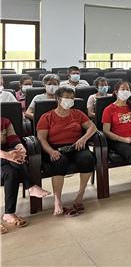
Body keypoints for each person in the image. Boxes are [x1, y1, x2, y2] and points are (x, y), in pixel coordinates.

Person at [36, 87, 97, 216]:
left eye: (72, 98)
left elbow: (92, 127)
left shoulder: (77, 113)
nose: (70, 100)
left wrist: (84, 138)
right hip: (56, 148)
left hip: (76, 145)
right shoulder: (47, 117)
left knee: (87, 159)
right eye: (67, 97)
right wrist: (51, 151)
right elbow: (41, 139)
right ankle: (57, 199)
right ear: (58, 99)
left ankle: (80, 195)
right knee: (59, 161)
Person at [1, 117, 51, 233]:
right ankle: (31, 186)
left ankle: (9, 213)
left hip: (5, 160)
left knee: (12, 172)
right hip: (4, 156)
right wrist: (7, 155)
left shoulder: (5, 121)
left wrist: (20, 148)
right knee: (14, 159)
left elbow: (13, 139)